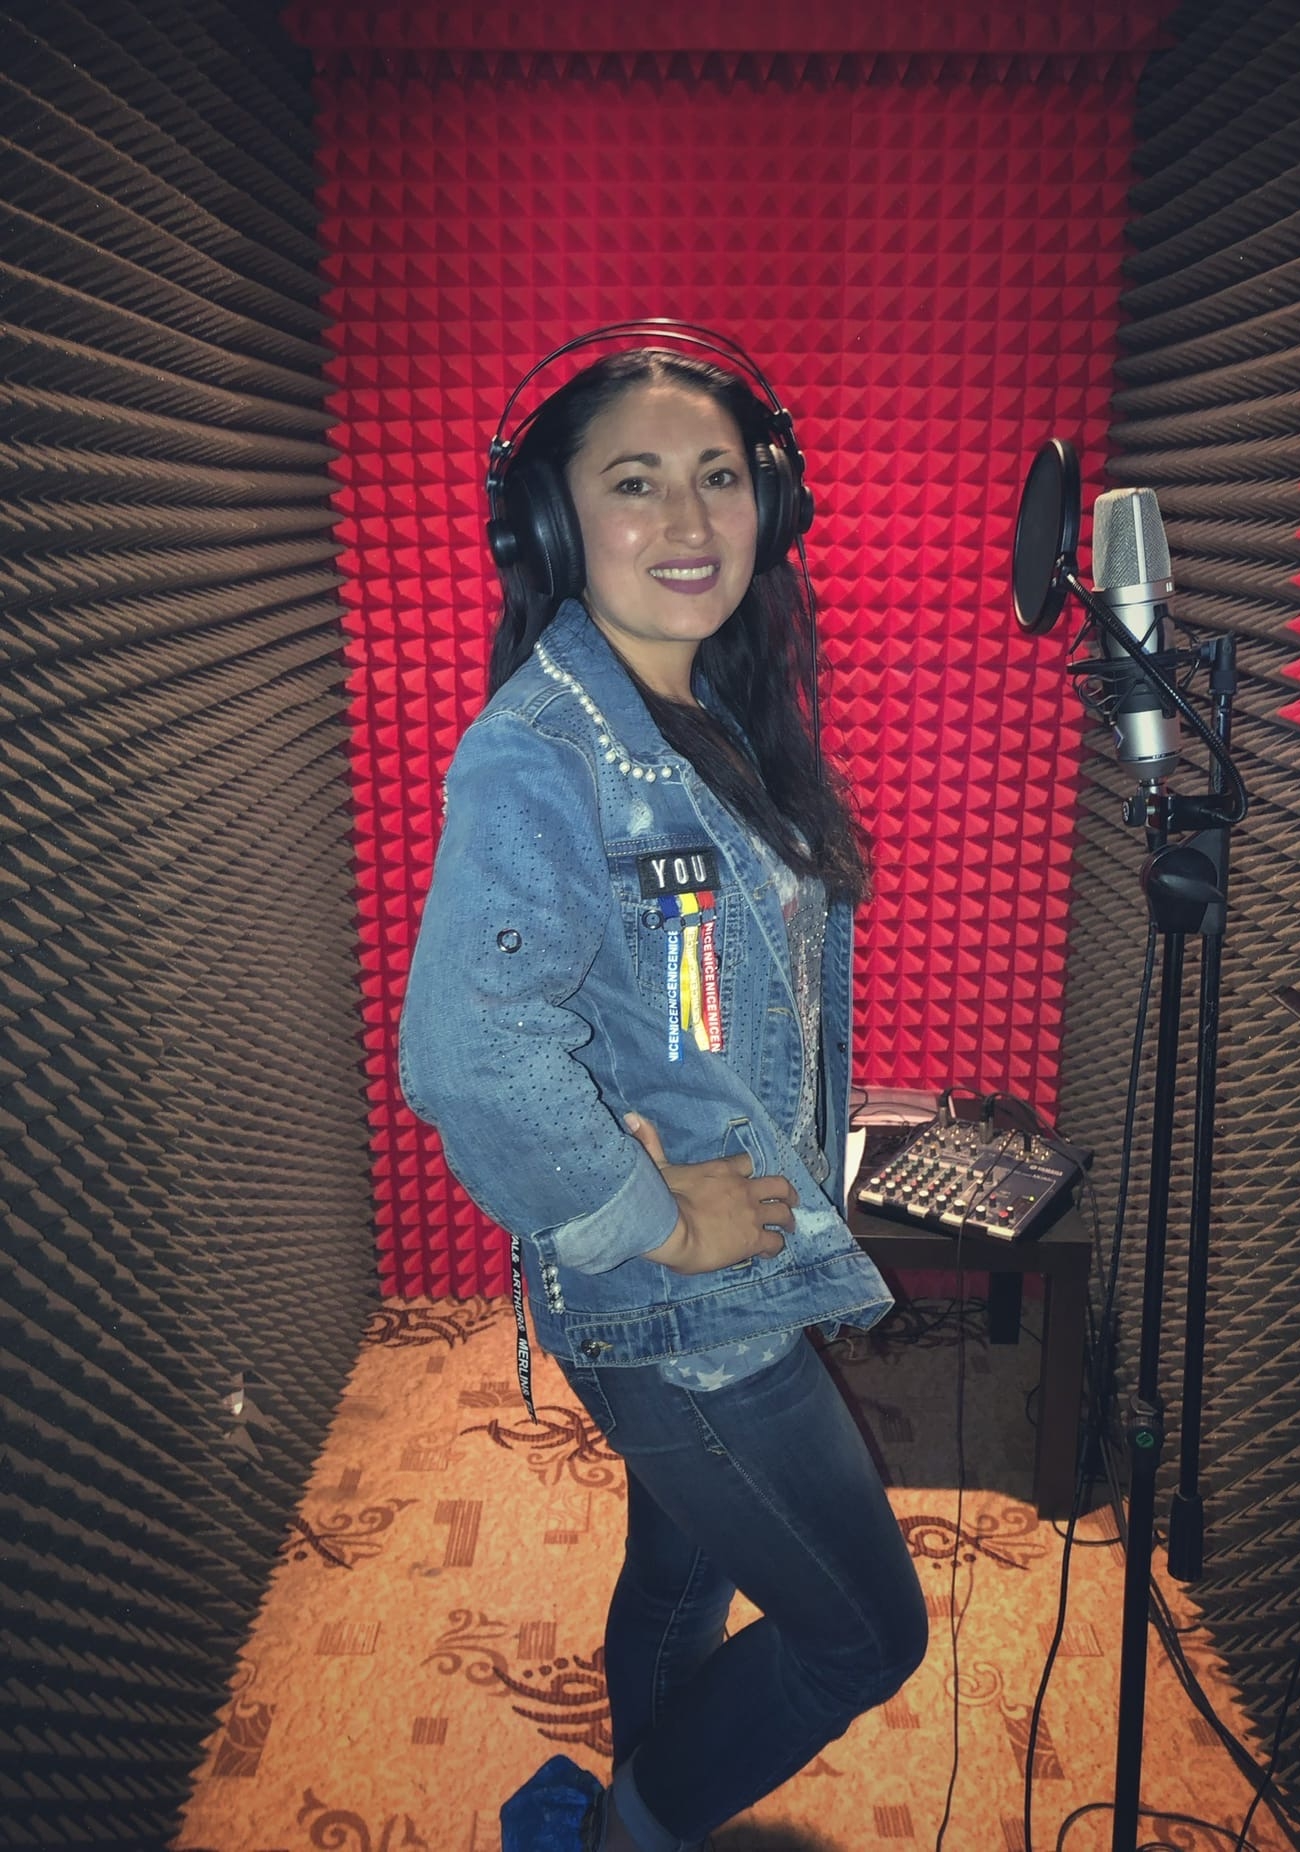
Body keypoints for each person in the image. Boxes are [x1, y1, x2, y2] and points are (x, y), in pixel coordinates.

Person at [398, 335, 928, 1852]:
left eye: (720, 478)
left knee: (682, 1574)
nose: (690, 521)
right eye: (635, 483)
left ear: (773, 506)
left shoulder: (696, 711)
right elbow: (468, 1049)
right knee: (865, 1637)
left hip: (711, 1285)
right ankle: (635, 1823)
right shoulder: (542, 752)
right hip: (688, 1315)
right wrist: (662, 1220)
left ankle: (651, 1812)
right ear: (553, 525)